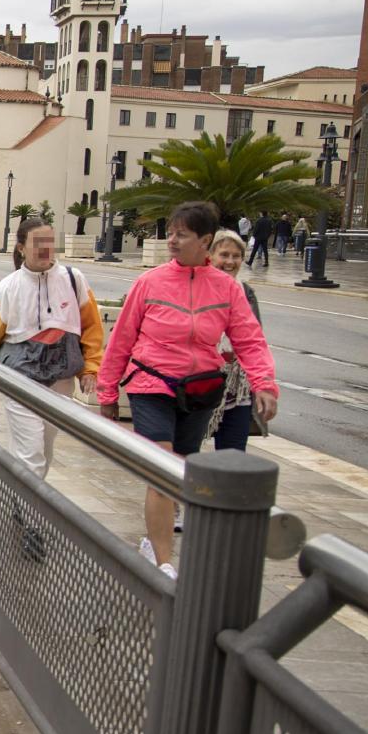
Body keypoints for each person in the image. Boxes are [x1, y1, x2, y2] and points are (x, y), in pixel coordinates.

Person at [96, 201, 279, 579]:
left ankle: (156, 537)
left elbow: (249, 340)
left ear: (205, 241)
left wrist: (264, 385)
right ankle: (163, 560)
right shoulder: (150, 282)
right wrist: (108, 392)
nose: (172, 241)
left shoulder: (227, 289)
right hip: (151, 384)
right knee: (162, 467)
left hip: (199, 390)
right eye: (171, 233)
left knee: (183, 469)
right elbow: (122, 339)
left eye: (182, 234)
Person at [0, 217, 106, 559]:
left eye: (50, 242)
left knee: (44, 449)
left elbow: (91, 328)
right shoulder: (7, 289)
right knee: (31, 452)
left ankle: (22, 498)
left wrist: (91, 368)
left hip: (60, 380)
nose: (46, 250)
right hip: (21, 381)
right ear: (21, 248)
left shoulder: (74, 281)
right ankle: (33, 524)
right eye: (37, 243)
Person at [205, 230, 265, 452]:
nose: (230, 261)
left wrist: (262, 383)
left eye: (236, 256)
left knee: (232, 453)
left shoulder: (246, 292)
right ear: (210, 255)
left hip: (236, 384)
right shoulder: (198, 286)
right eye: (224, 255)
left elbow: (255, 340)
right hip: (200, 378)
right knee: (183, 453)